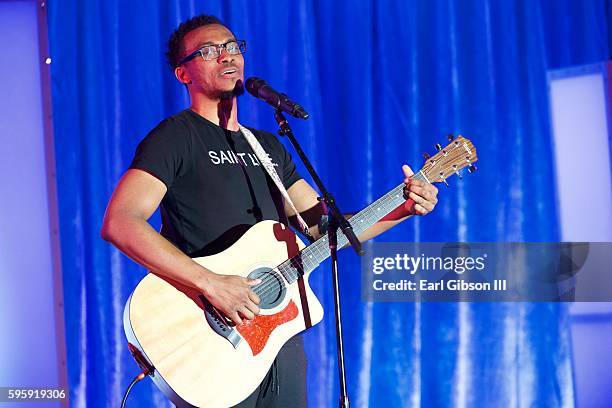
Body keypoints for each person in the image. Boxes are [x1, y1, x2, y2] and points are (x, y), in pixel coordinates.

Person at [101, 14, 439, 408]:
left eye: (231, 46)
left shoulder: (268, 147)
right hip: (211, 336)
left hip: (277, 337)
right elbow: (120, 221)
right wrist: (210, 282)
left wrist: (404, 207)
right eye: (208, 51)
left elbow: (324, 230)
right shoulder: (176, 137)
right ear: (183, 73)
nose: (226, 56)